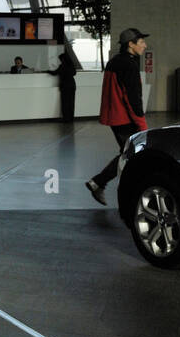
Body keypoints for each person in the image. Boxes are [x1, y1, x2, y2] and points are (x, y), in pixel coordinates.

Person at [86, 29, 149, 205]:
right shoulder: (129, 65)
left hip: (115, 117)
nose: (145, 45)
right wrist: (141, 123)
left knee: (129, 153)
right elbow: (132, 97)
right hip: (125, 119)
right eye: (141, 41)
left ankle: (99, 183)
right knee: (132, 154)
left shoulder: (114, 62)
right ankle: (102, 183)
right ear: (131, 44)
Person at [47, 48, 77, 123]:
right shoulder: (71, 65)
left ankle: (66, 119)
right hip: (72, 85)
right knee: (71, 102)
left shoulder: (62, 66)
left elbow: (54, 73)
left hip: (65, 86)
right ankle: (71, 118)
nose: (60, 60)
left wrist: (47, 71)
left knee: (65, 103)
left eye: (60, 59)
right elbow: (74, 73)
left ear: (63, 59)